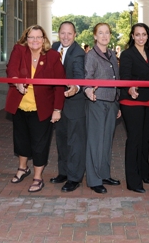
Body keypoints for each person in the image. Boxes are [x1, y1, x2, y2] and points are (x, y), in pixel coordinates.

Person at [6, 25, 65, 193]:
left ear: (44, 39)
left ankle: (38, 177)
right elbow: (11, 69)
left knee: (40, 144)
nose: (35, 41)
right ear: (26, 38)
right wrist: (16, 81)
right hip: (20, 106)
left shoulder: (53, 56)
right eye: (31, 37)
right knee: (21, 140)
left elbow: (60, 85)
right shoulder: (19, 50)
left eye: (39, 37)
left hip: (43, 109)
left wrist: (57, 109)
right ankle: (22, 168)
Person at [119, 23, 149, 193]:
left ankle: (144, 173)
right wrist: (130, 88)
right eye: (137, 35)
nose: (141, 37)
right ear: (132, 36)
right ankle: (133, 181)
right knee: (134, 140)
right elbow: (125, 77)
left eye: (144, 34)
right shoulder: (127, 54)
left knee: (145, 140)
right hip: (132, 102)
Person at [83, 22, 121, 194]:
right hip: (97, 102)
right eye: (101, 33)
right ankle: (94, 179)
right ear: (95, 36)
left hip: (112, 103)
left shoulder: (112, 54)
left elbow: (116, 79)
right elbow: (87, 78)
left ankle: (104, 174)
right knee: (95, 142)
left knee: (106, 141)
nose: (104, 36)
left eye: (107, 33)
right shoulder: (91, 55)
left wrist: (117, 102)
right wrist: (88, 91)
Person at [50, 21, 87, 192]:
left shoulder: (78, 53)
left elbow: (79, 76)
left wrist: (76, 88)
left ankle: (74, 178)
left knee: (75, 143)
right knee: (61, 140)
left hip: (74, 105)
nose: (66, 37)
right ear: (58, 34)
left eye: (69, 34)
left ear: (75, 35)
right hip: (58, 104)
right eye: (63, 33)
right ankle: (63, 172)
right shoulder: (54, 47)